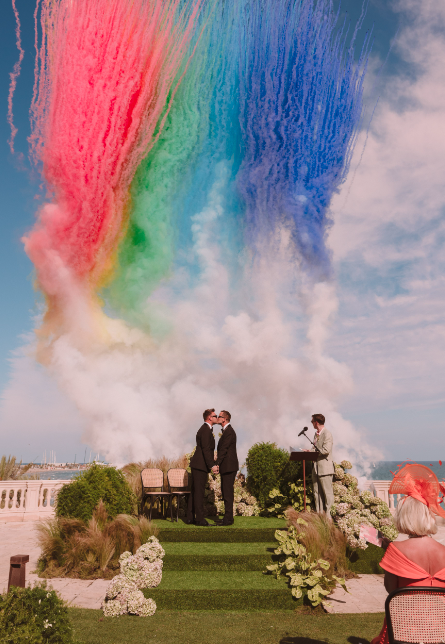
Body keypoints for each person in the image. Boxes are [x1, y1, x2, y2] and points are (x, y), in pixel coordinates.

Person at [371, 463, 445, 644]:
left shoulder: (396, 550)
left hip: (403, 633)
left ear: (404, 517)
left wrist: (389, 550)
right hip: (439, 633)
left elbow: (391, 590)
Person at [186, 408, 218, 526]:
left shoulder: (205, 429)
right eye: (215, 416)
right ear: (209, 417)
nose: (217, 417)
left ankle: (190, 517)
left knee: (195, 491)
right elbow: (205, 449)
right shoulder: (205, 430)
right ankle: (199, 519)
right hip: (200, 465)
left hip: (198, 465)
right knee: (198, 492)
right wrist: (212, 466)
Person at [213, 410, 239, 526]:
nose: (217, 418)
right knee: (225, 492)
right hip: (227, 467)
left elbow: (223, 449)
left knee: (227, 493)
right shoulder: (227, 431)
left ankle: (228, 519)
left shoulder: (229, 432)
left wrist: (217, 463)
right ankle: (227, 517)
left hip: (229, 467)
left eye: (219, 416)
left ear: (224, 419)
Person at [310, 413, 334, 515]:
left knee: (327, 493)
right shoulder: (316, 434)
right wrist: (309, 451)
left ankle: (328, 515)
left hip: (325, 468)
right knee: (317, 492)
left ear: (316, 422)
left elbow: (326, 450)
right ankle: (319, 514)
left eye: (312, 421)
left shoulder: (327, 434)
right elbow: (314, 448)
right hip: (315, 468)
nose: (311, 423)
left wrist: (313, 453)